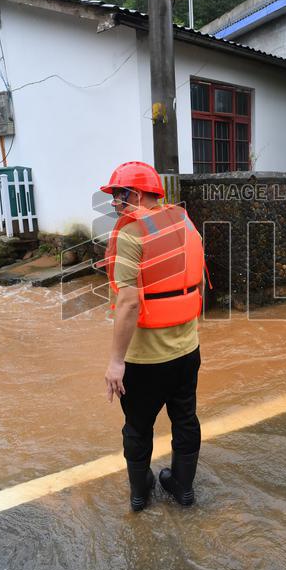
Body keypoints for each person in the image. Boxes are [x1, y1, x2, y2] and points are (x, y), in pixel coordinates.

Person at [101, 161, 205, 512]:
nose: (115, 202)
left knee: (137, 428)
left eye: (120, 194)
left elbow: (128, 304)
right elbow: (198, 282)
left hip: (144, 361)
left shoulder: (131, 233)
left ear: (142, 194)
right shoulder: (186, 225)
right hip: (187, 351)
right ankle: (183, 487)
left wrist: (116, 362)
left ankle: (140, 492)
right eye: (114, 196)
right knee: (185, 419)